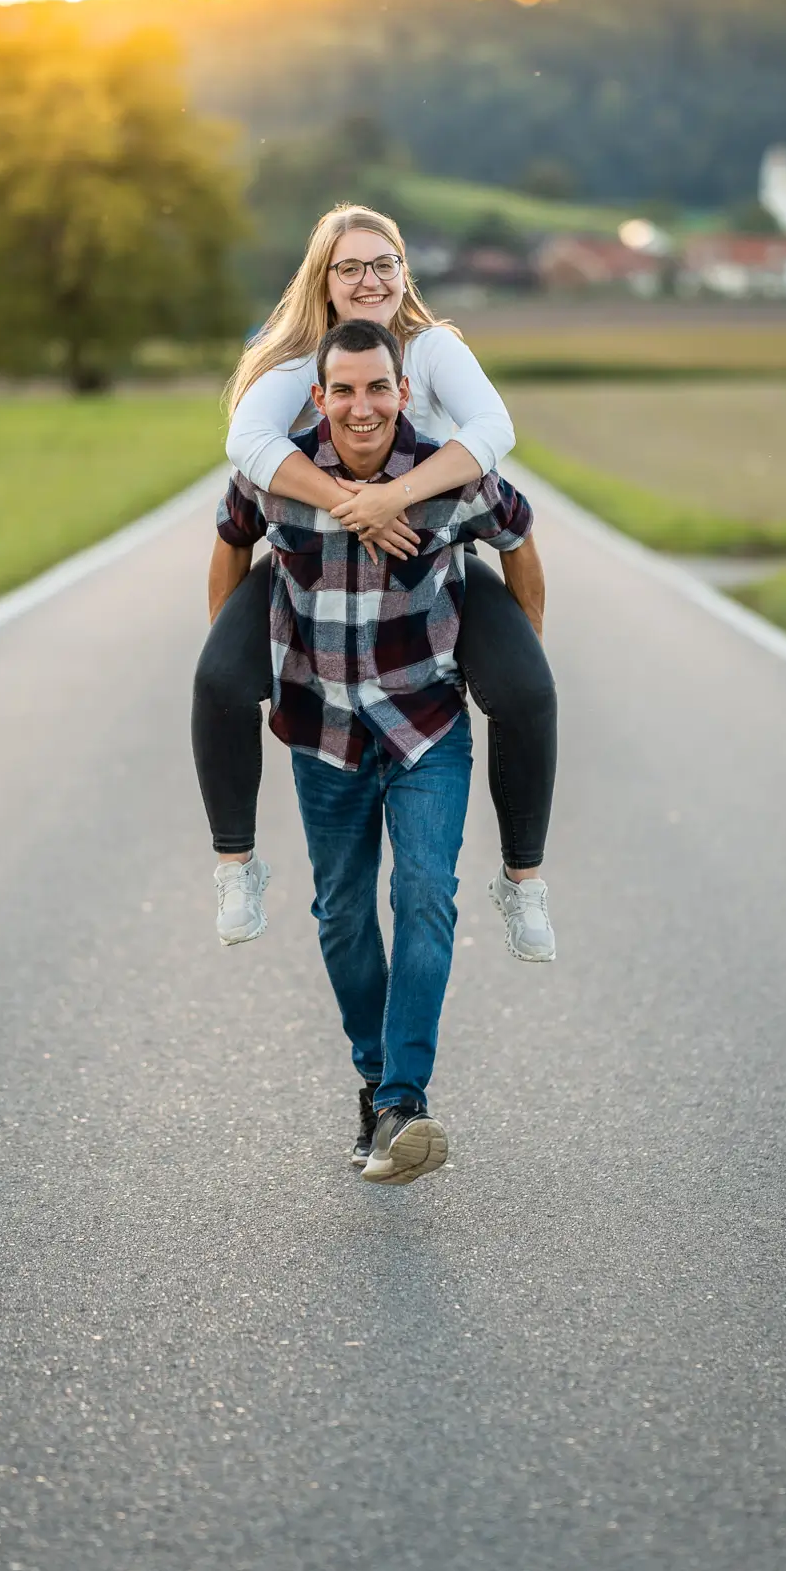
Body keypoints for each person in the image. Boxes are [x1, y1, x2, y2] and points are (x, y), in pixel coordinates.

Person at [209, 319, 543, 1181]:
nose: (363, 408)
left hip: (424, 723)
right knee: (344, 913)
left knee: (426, 894)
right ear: (319, 397)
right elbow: (231, 538)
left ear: (403, 391)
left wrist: (520, 654)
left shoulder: (450, 477)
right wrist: (231, 651)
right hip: (320, 730)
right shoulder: (280, 477)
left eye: (380, 388)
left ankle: (402, 1101)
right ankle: (374, 1076)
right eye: (345, 391)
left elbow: (518, 535)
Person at [192, 204, 558, 964]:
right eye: (351, 266)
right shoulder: (297, 358)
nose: (370, 279)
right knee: (220, 677)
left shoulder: (433, 349)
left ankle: (523, 879)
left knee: (527, 689)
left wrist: (398, 497)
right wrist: (355, 507)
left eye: (384, 263)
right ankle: (237, 866)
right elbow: (246, 442)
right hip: (312, 555)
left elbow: (493, 431)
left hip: (432, 551)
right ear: (323, 279)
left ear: (404, 272)